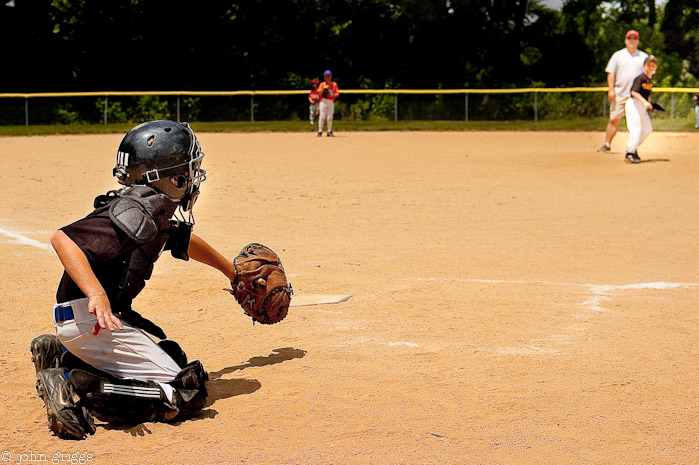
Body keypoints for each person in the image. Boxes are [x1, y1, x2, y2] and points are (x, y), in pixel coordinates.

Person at [29, 120, 236, 439]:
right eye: (189, 169)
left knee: (174, 356)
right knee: (181, 393)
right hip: (94, 321)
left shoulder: (152, 208)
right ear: (172, 178)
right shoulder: (135, 211)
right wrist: (96, 293)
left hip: (90, 322)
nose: (194, 176)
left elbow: (182, 240)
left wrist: (232, 273)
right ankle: (71, 384)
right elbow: (63, 239)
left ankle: (60, 355)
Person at [599, 30, 649, 152]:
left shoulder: (644, 57)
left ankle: (632, 148)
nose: (632, 40)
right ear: (625, 40)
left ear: (638, 41)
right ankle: (607, 144)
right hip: (620, 93)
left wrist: (646, 95)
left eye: (634, 38)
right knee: (614, 120)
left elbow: (648, 76)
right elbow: (611, 73)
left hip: (636, 96)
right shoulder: (618, 55)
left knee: (636, 124)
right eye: (629, 38)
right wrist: (611, 89)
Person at [624, 55, 658, 163]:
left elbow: (646, 95)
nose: (651, 67)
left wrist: (649, 105)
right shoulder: (641, 77)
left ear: (655, 67)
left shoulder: (649, 80)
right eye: (649, 65)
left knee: (647, 128)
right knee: (636, 129)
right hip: (634, 104)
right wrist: (644, 102)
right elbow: (634, 92)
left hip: (641, 106)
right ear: (644, 66)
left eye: (653, 65)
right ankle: (630, 152)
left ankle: (632, 148)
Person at [317, 70, 339, 137]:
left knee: (330, 117)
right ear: (324, 77)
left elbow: (337, 94)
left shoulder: (334, 84)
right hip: (323, 101)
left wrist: (331, 95)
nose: (327, 78)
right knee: (322, 116)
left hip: (330, 101)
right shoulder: (322, 84)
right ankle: (320, 131)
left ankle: (329, 131)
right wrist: (323, 88)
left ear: (331, 77)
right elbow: (319, 93)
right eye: (326, 76)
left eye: (329, 76)